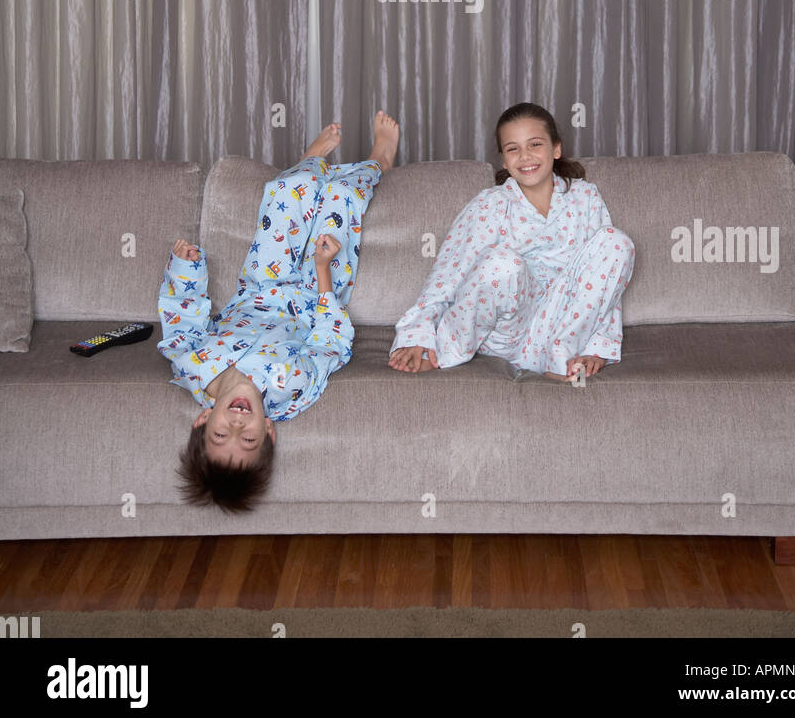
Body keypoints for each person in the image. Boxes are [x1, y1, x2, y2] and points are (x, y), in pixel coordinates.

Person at [158, 111, 399, 513]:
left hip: (261, 284)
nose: (237, 426)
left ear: (202, 421)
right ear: (268, 430)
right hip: (315, 292)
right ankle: (380, 160)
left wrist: (186, 267)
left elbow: (182, 319)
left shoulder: (190, 366)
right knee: (343, 198)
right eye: (248, 439)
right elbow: (332, 344)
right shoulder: (290, 389)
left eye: (221, 435)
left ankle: (308, 165)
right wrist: (323, 273)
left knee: (287, 187)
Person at [388, 102, 634, 381]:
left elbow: (607, 286)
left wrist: (596, 349)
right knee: (502, 263)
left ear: (556, 149)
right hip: (507, 335)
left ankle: (561, 362)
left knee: (618, 243)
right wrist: (418, 333)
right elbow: (448, 273)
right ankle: (441, 354)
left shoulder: (585, 197)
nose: (525, 156)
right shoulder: (490, 204)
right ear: (504, 160)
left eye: (535, 145)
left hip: (563, 329)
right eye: (513, 149)